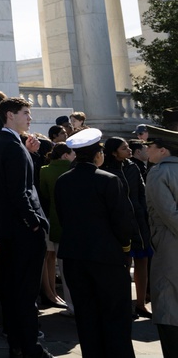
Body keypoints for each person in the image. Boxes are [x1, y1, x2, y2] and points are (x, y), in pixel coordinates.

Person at [54, 129, 137, 358]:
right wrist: (125, 247)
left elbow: (63, 217)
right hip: (106, 257)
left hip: (74, 257)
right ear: (98, 154)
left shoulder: (63, 181)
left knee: (86, 316)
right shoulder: (109, 180)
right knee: (115, 316)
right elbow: (121, 221)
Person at [0, 97, 51, 358]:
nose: (30, 118)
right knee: (25, 293)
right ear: (10, 115)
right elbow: (19, 192)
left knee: (14, 290)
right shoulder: (11, 145)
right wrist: (34, 223)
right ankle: (30, 346)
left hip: (9, 230)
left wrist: (31, 154)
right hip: (23, 231)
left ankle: (17, 344)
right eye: (26, 113)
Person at [102, 136, 152, 318]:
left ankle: (141, 304)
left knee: (143, 262)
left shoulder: (132, 167)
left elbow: (142, 192)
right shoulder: (105, 171)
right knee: (123, 265)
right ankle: (124, 305)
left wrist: (143, 211)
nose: (129, 150)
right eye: (124, 148)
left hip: (139, 222)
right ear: (114, 152)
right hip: (119, 225)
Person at [145, 122, 178, 357]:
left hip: (169, 246)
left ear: (163, 150)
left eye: (151, 145)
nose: (147, 150)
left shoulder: (158, 172)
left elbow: (169, 215)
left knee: (168, 303)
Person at [38, 143, 74, 315]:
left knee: (64, 267)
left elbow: (44, 195)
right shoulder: (73, 169)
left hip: (55, 221)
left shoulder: (45, 170)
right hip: (76, 223)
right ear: (66, 155)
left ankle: (71, 305)